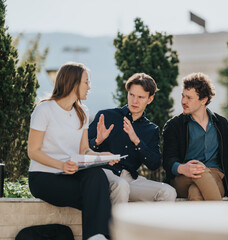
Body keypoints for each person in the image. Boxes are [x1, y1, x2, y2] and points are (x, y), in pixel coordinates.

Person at [27, 62, 118, 240]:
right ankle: (99, 236)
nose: (89, 87)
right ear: (73, 83)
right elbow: (33, 151)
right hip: (43, 177)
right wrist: (61, 164)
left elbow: (84, 149)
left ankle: (96, 237)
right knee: (98, 199)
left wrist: (102, 157)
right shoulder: (44, 109)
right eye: (86, 82)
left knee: (97, 175)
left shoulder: (82, 111)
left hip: (70, 174)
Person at [88, 73, 176, 204]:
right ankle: (118, 225)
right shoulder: (106, 116)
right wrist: (97, 141)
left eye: (140, 97)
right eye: (131, 95)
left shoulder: (151, 130)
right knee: (121, 186)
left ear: (150, 99)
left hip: (130, 179)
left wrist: (137, 141)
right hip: (104, 173)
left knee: (168, 192)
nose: (134, 101)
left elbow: (154, 164)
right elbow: (82, 149)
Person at [162, 72, 228, 201]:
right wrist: (182, 168)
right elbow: (168, 160)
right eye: (183, 96)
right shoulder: (174, 125)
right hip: (182, 178)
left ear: (203, 100)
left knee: (196, 192)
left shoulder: (220, 123)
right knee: (200, 170)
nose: (183, 101)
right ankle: (223, 219)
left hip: (215, 177)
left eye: (189, 98)